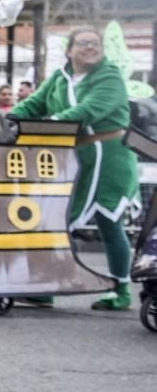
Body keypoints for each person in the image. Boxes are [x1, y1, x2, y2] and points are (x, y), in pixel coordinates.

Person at [9, 27, 140, 309]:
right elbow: (34, 104)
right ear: (69, 50)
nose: (91, 47)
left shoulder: (109, 76)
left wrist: (51, 122)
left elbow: (90, 110)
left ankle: (121, 291)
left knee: (109, 221)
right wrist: (9, 119)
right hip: (74, 154)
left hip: (109, 156)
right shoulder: (60, 77)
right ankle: (46, 286)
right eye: (83, 43)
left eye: (96, 43)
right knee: (53, 219)